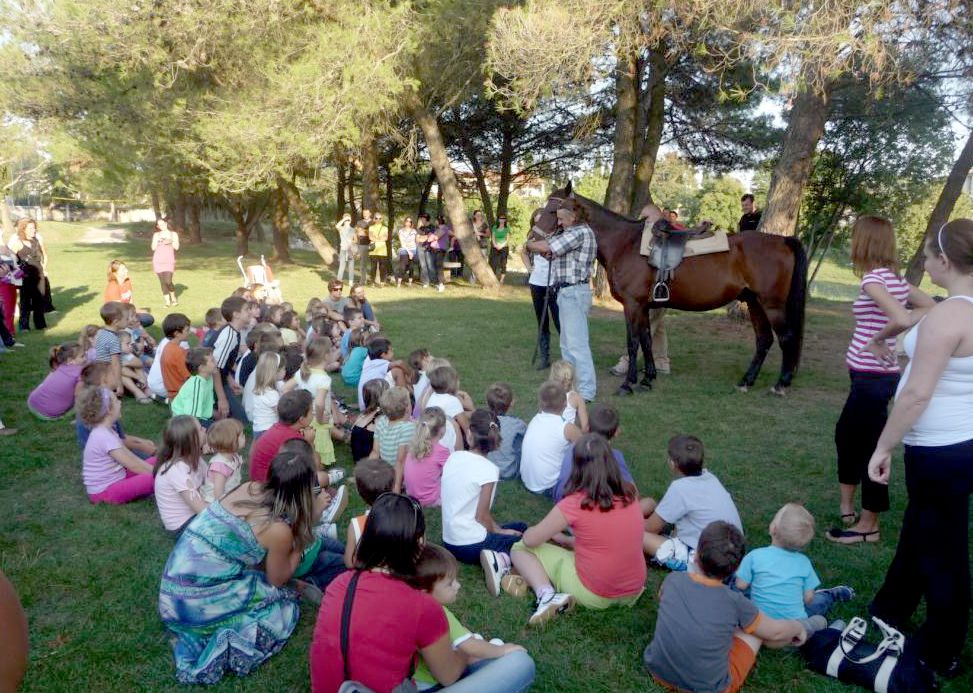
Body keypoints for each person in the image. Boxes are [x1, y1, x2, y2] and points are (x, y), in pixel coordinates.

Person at [865, 219, 973, 677]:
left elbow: (915, 395)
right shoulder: (954, 310)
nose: (924, 263)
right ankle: (891, 607)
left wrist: (883, 446)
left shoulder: (952, 314)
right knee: (920, 528)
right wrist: (897, 345)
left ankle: (941, 649)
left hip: (940, 448)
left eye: (928, 256)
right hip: (962, 441)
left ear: (945, 261)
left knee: (944, 550)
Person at [309, 492, 536, 693]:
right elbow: (448, 676)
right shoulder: (421, 604)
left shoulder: (339, 584)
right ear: (418, 542)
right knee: (519, 664)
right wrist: (468, 652)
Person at [160, 442, 346, 684]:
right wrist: (306, 524)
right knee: (280, 609)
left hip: (174, 587)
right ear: (302, 493)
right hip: (196, 602)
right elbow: (277, 579)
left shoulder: (248, 488)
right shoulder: (277, 530)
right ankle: (308, 581)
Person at [829, 215, 933, 545]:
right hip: (870, 376)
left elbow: (902, 316)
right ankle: (848, 508)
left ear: (865, 242)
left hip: (873, 378)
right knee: (848, 437)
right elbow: (929, 307)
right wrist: (889, 331)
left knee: (872, 446)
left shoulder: (874, 280)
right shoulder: (895, 281)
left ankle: (868, 525)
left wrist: (879, 338)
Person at [643, 521, 808, 693]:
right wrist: (797, 627)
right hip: (709, 688)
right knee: (754, 632)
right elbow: (775, 632)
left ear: (697, 555)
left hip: (657, 670)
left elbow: (663, 599)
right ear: (735, 568)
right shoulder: (736, 602)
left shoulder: (673, 580)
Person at [506, 434, 645, 627]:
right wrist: (564, 540)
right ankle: (527, 579)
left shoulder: (576, 503)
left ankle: (546, 596)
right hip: (634, 590)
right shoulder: (629, 493)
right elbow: (605, 541)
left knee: (519, 549)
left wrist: (535, 532)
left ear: (576, 466)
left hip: (597, 594)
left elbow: (530, 540)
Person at [412, 544, 532, 690]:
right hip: (432, 685)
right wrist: (502, 650)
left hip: (414, 683)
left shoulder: (408, 608)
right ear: (425, 593)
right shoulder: (437, 612)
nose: (458, 585)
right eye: (450, 584)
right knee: (514, 661)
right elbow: (470, 646)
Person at [736, 504, 854, 637]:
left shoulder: (755, 556)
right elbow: (808, 598)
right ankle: (830, 597)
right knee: (815, 605)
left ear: (773, 528)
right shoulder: (804, 562)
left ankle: (830, 597)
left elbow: (741, 585)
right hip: (795, 624)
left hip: (760, 623)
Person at [525, 198, 596, 400]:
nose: (559, 223)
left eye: (562, 219)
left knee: (577, 345)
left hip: (573, 292)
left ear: (573, 217)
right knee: (567, 344)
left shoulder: (579, 232)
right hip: (567, 292)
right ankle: (571, 386)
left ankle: (586, 391)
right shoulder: (573, 232)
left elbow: (546, 246)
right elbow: (556, 252)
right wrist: (549, 253)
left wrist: (530, 244)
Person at [441, 409, 528, 569]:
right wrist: (499, 532)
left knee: (519, 527)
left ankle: (499, 556)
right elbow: (482, 516)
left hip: (449, 540)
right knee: (522, 540)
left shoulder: (453, 457)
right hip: (470, 545)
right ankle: (501, 561)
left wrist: (499, 529)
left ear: (469, 434)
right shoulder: (489, 470)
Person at [642, 435, 743, 570]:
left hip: (708, 562)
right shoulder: (711, 478)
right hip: (734, 554)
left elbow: (650, 528)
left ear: (672, 464)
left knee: (637, 536)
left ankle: (677, 561)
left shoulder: (679, 489)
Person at [78, 386, 155, 504]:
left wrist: (156, 469)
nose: (120, 402)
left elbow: (131, 457)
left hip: (118, 477)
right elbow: (133, 466)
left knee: (157, 461)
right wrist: (158, 474)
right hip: (104, 492)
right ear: (109, 410)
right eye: (116, 400)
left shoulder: (107, 430)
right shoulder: (104, 436)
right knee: (152, 479)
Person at [519, 381, 582, 496]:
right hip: (549, 486)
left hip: (527, 480)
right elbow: (586, 447)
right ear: (565, 404)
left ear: (541, 404)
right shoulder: (566, 427)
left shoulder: (535, 419)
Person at [154, 415, 209, 535]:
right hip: (184, 525)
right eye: (200, 429)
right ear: (190, 440)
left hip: (196, 513)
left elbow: (211, 481)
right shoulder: (176, 470)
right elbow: (203, 511)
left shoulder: (196, 459)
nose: (205, 429)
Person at [343, 458, 396, 568]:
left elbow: (349, 563)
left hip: (366, 574)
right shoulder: (406, 518)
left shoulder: (356, 525)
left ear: (358, 491)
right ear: (392, 487)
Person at [403, 406, 450, 506]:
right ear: (442, 430)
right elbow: (452, 474)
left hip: (411, 496)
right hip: (431, 500)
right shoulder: (442, 451)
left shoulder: (413, 445)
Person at [372, 386, 416, 493]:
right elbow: (400, 461)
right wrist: (396, 487)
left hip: (387, 469)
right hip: (399, 472)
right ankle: (402, 485)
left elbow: (375, 452)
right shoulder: (407, 428)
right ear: (407, 408)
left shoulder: (381, 421)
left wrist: (369, 473)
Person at [27, 342, 86, 420]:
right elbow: (78, 395)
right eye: (82, 356)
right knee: (87, 394)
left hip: (31, 403)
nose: (85, 358)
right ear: (70, 360)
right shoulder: (81, 373)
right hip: (48, 415)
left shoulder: (59, 366)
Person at [9, 218, 47, 330]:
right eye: (30, 228)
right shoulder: (18, 243)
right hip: (25, 277)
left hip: (39, 275)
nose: (34, 230)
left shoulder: (36, 241)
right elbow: (10, 259)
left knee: (39, 300)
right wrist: (16, 271)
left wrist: (44, 267)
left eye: (34, 228)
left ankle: (40, 325)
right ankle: (24, 326)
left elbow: (44, 255)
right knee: (25, 301)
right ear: (23, 229)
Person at [485, 382, 527, 480]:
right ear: (512, 402)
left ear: (487, 403)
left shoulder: (483, 421)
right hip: (509, 471)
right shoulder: (518, 424)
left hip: (487, 469)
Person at [201, 418, 246, 502]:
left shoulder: (234, 456)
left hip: (229, 495)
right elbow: (218, 494)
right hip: (216, 503)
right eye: (242, 436)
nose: (244, 437)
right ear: (231, 441)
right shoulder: (220, 465)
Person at [170, 347, 217, 427]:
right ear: (201, 368)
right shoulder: (196, 386)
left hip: (200, 416)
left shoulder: (208, 377)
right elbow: (192, 417)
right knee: (221, 433)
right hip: (185, 424)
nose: (216, 362)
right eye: (212, 361)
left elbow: (206, 402)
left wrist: (213, 413)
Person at [103, 260, 154, 328]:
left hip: (127, 314)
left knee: (148, 318)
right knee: (144, 319)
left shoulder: (127, 281)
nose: (126, 271)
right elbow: (118, 311)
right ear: (115, 273)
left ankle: (133, 329)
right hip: (117, 318)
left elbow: (130, 302)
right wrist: (133, 318)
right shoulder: (112, 287)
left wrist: (136, 312)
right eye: (123, 270)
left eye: (125, 268)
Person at [249, 351, 286, 439]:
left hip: (258, 428)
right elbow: (281, 413)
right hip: (267, 430)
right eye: (283, 369)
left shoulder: (263, 387)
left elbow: (284, 386)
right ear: (275, 372)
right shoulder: (271, 393)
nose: (285, 371)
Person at [160, 313, 193, 400]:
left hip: (172, 394)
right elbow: (188, 377)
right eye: (187, 330)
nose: (189, 333)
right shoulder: (178, 352)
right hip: (182, 396)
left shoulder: (167, 347)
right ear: (177, 333)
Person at [151, 217, 180, 306]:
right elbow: (153, 248)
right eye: (159, 225)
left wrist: (170, 242)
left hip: (169, 261)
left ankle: (173, 297)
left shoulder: (173, 234)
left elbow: (177, 247)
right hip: (158, 260)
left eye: (163, 224)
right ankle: (167, 302)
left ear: (166, 224)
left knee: (168, 281)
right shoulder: (156, 235)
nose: (162, 226)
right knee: (162, 282)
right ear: (158, 226)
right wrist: (158, 241)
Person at [368, 212, 390, 285]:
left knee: (382, 267)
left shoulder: (385, 228)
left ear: (382, 219)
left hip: (382, 250)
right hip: (373, 249)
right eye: (376, 218)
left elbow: (385, 238)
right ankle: (372, 282)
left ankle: (382, 282)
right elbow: (370, 237)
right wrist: (380, 238)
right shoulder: (371, 227)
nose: (378, 220)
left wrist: (375, 238)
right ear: (374, 219)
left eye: (380, 218)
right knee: (373, 267)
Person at [335, 213, 356, 286]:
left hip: (350, 249)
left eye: (349, 219)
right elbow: (337, 226)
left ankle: (351, 282)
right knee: (342, 266)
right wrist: (344, 219)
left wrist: (352, 241)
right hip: (343, 249)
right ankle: (338, 281)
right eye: (346, 219)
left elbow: (355, 240)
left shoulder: (353, 229)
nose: (347, 221)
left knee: (351, 266)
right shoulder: (341, 228)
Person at [396, 216, 418, 287]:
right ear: (405, 222)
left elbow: (416, 241)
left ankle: (410, 282)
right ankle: (399, 283)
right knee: (402, 266)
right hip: (404, 250)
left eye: (410, 221)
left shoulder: (414, 231)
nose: (408, 223)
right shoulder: (401, 231)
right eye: (407, 221)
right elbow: (402, 243)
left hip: (413, 250)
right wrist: (409, 252)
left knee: (411, 267)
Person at [489, 215, 511, 284]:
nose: (502, 219)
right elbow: (493, 237)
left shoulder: (507, 228)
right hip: (495, 247)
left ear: (505, 220)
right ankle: (493, 279)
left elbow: (507, 239)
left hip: (504, 247)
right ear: (498, 220)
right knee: (493, 263)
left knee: (503, 264)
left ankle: (501, 280)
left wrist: (501, 246)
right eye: (500, 218)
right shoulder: (495, 227)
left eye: (503, 218)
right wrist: (495, 245)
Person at [416, 212, 435, 288]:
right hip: (420, 248)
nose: (422, 219)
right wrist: (424, 237)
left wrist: (423, 237)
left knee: (430, 265)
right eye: (421, 218)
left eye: (423, 218)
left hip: (429, 248)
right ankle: (426, 282)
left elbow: (430, 237)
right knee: (423, 265)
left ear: (426, 218)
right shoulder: (420, 228)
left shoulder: (432, 227)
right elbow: (417, 239)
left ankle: (434, 281)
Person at [355, 208, 373, 286]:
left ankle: (373, 280)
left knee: (374, 263)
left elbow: (373, 233)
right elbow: (359, 233)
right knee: (363, 264)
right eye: (364, 213)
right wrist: (369, 232)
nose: (365, 215)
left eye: (367, 213)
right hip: (362, 244)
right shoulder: (359, 222)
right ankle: (363, 281)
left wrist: (365, 232)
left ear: (370, 214)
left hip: (373, 244)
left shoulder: (374, 222)